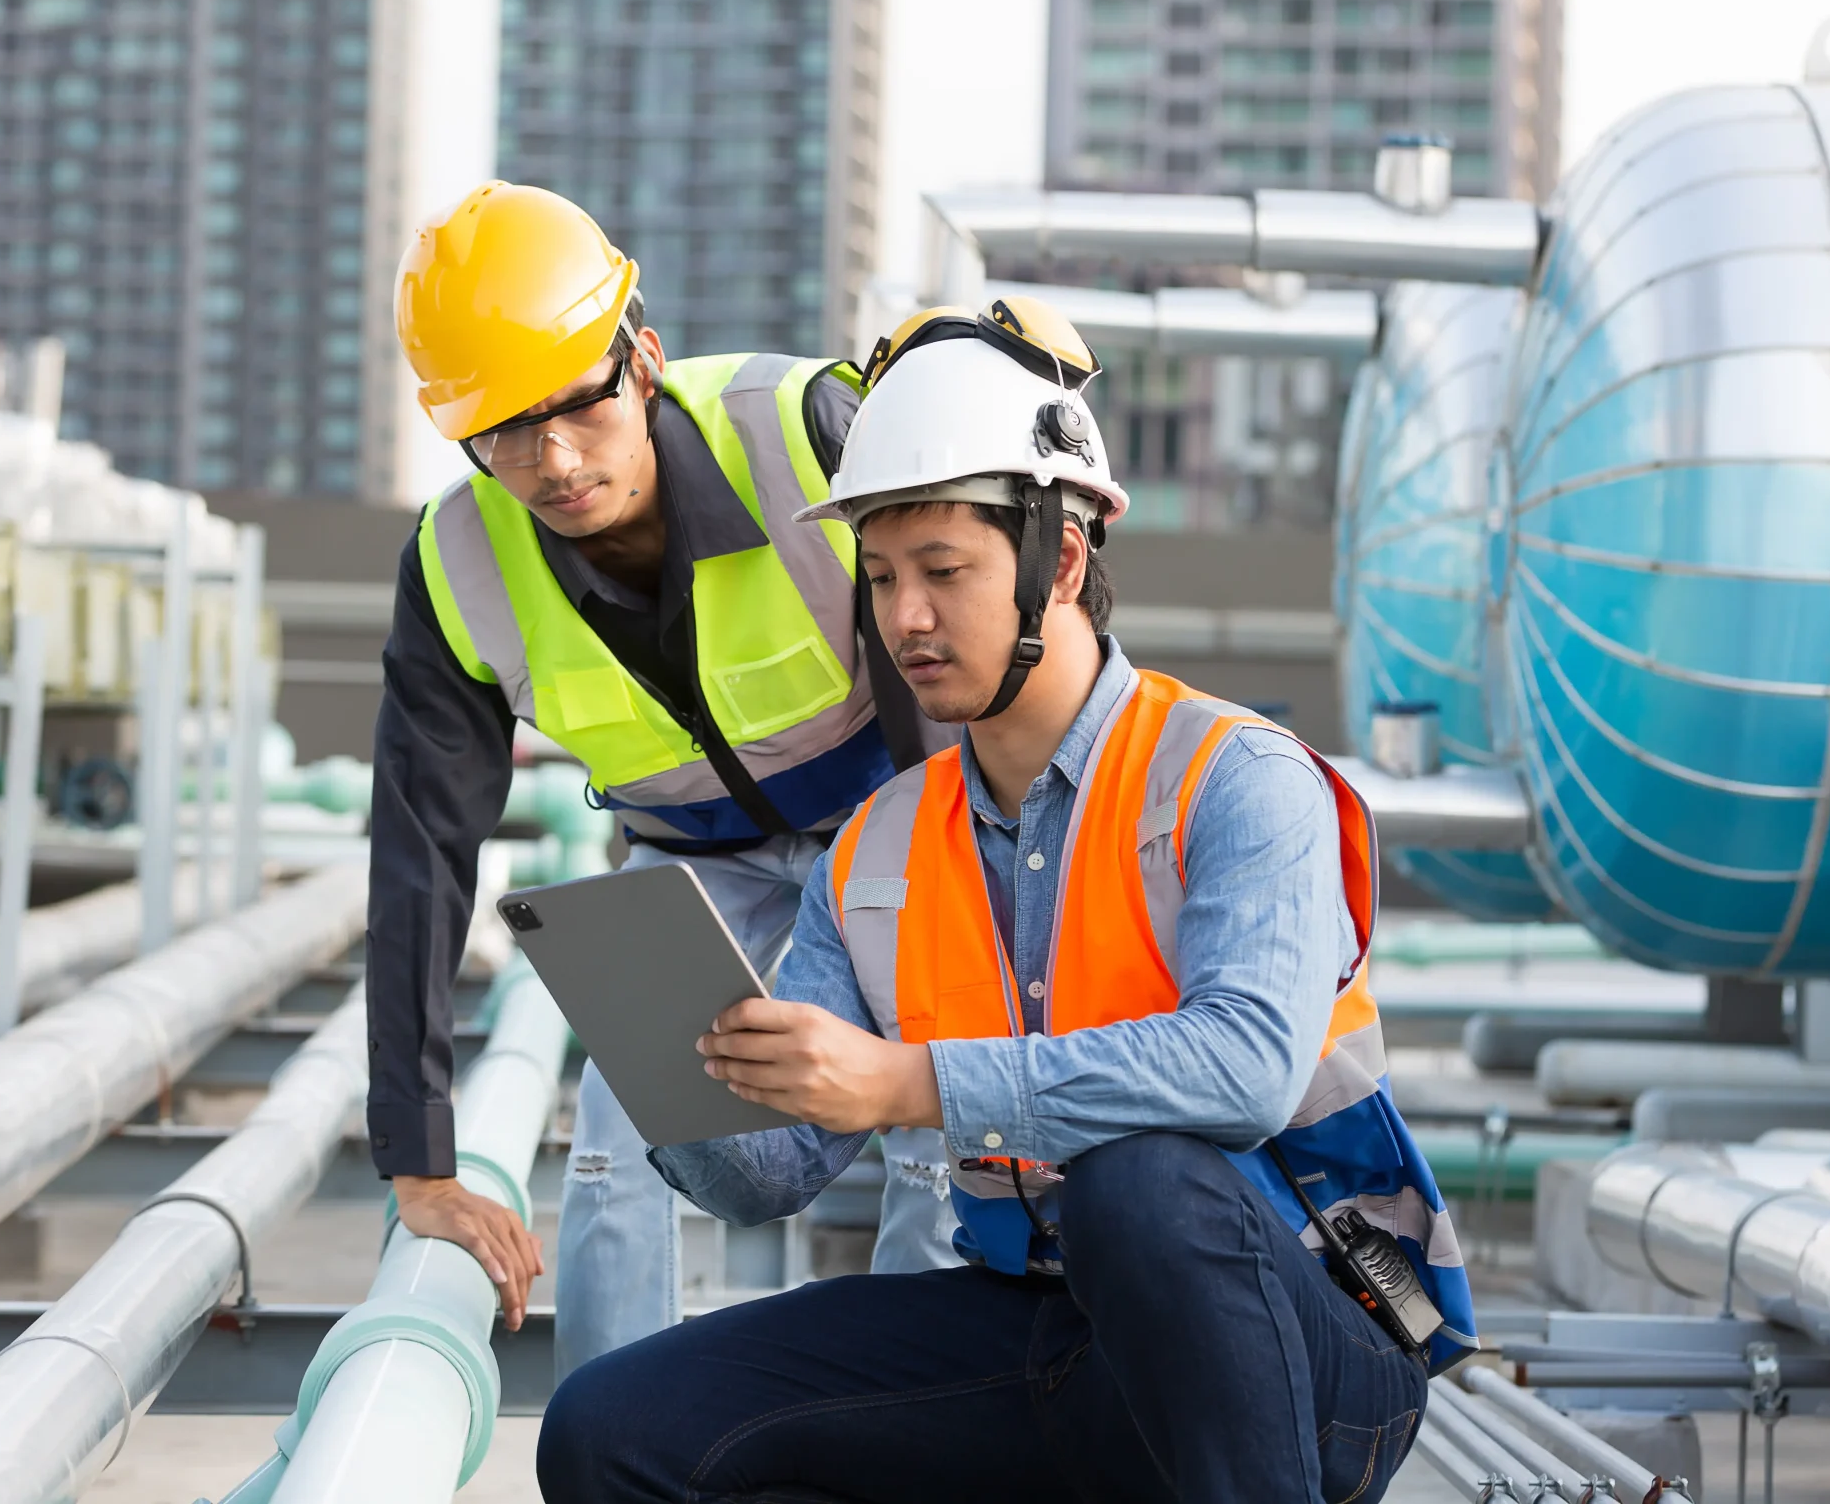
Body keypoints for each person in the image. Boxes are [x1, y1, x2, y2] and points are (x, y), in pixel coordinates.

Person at [535, 308, 1477, 1504]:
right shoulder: (878, 843)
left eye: (945, 572)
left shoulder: (1236, 779)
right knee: (611, 1426)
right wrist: (682, 1069)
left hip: (1307, 1352)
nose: (906, 617)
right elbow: (770, 1177)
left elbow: (1244, 1070)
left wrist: (915, 1085)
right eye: (879, 577)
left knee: (1138, 1188)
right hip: (1036, 1330)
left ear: (1062, 562)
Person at [367, 181, 959, 1380]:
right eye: (500, 431)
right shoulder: (456, 562)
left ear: (640, 359)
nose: (549, 460)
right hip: (694, 864)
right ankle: (613, 1447)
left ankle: (926, 1433)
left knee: (940, 1130)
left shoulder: (807, 430)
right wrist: (420, 1159)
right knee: (612, 1137)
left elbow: (969, 655)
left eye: (575, 408)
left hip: (900, 822)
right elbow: (420, 852)